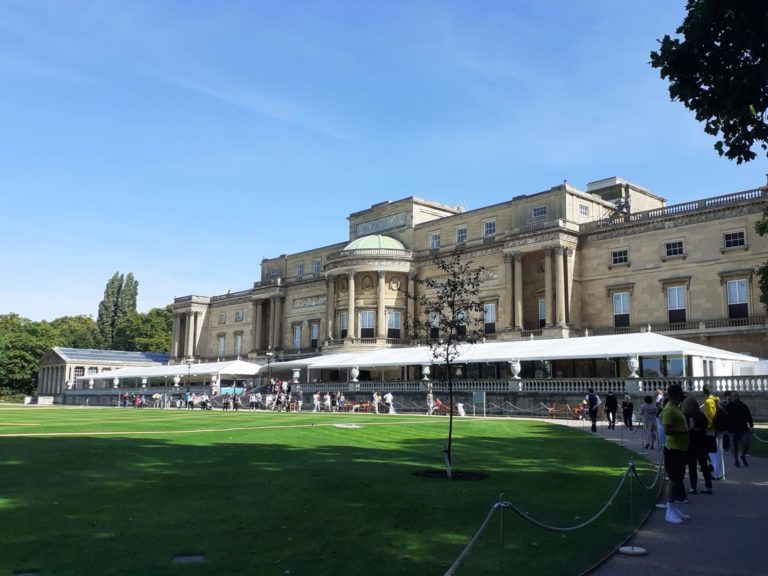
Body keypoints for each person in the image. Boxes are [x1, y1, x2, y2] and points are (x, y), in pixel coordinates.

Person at [661, 384, 690, 524]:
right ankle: (669, 509)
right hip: (673, 449)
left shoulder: (676, 408)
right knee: (673, 479)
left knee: (678, 478)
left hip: (680, 448)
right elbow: (667, 430)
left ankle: (673, 506)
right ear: (676, 395)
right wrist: (686, 432)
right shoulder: (669, 410)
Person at [682, 396, 712, 495]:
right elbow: (705, 427)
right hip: (701, 443)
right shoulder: (701, 415)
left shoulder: (685, 416)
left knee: (692, 466)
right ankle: (708, 486)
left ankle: (693, 487)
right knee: (704, 465)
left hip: (690, 443)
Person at [701, 385, 725, 480]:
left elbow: (709, 416)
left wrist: (707, 428)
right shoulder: (717, 400)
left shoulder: (708, 401)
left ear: (704, 392)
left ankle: (718, 474)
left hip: (712, 429)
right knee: (718, 451)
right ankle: (720, 472)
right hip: (718, 428)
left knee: (714, 452)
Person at [726, 392, 754, 468]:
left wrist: (751, 426)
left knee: (746, 443)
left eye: (737, 396)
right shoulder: (728, 406)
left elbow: (749, 416)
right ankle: (736, 459)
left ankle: (742, 455)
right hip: (732, 429)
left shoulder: (743, 406)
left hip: (743, 428)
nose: (736, 397)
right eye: (735, 396)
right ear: (731, 397)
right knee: (734, 446)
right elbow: (724, 418)